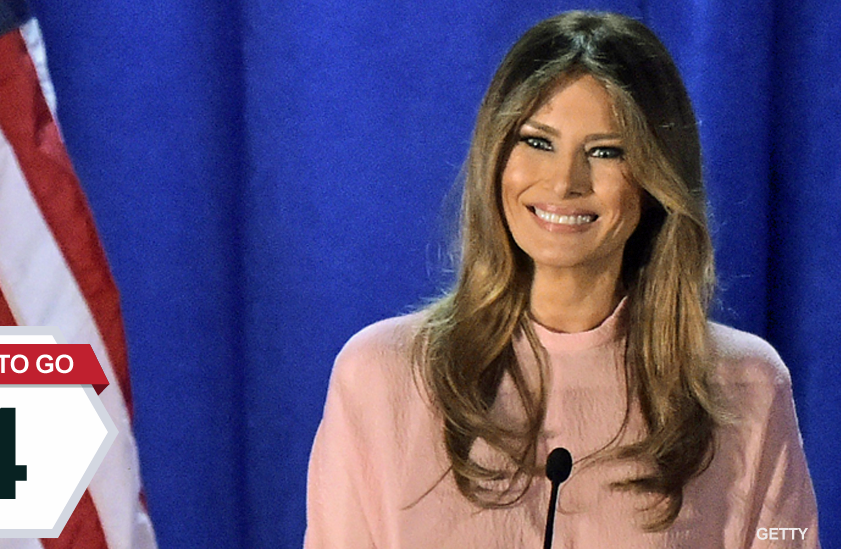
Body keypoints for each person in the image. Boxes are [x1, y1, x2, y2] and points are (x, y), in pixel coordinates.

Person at [305, 10, 819, 549]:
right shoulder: (379, 375)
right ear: (496, 155)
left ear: (654, 179)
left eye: (605, 152)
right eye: (538, 141)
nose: (565, 182)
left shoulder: (747, 385)